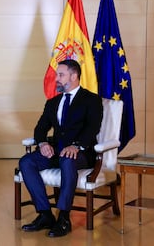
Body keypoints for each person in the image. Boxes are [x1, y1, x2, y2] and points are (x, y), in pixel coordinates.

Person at [19, 59, 103, 237]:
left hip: (81, 154)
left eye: (61, 74)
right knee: (26, 162)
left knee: (67, 159)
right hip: (56, 151)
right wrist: (42, 144)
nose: (56, 78)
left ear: (74, 76)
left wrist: (76, 146)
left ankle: (64, 218)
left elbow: (92, 128)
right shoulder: (53, 102)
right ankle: (45, 214)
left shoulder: (91, 100)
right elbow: (40, 128)